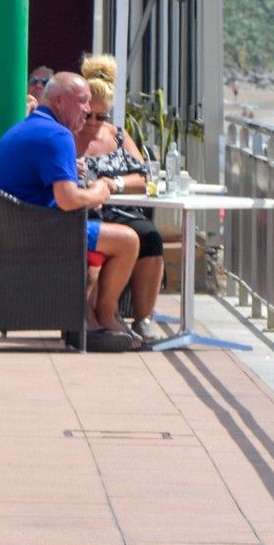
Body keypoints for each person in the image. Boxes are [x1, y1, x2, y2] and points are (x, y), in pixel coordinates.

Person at [0, 72, 142, 351]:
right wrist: (98, 192)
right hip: (43, 234)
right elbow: (68, 199)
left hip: (12, 231)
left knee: (98, 240)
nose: (88, 109)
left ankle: (84, 318)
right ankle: (106, 317)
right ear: (59, 102)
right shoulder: (58, 135)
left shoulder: (24, 128)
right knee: (127, 240)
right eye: (82, 102)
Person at [75, 53, 165, 345]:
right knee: (103, 242)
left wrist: (113, 183)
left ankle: (143, 318)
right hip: (86, 208)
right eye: (88, 114)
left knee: (150, 235)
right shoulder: (66, 135)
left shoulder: (117, 136)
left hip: (120, 208)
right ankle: (103, 312)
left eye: (100, 116)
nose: (92, 122)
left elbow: (144, 177)